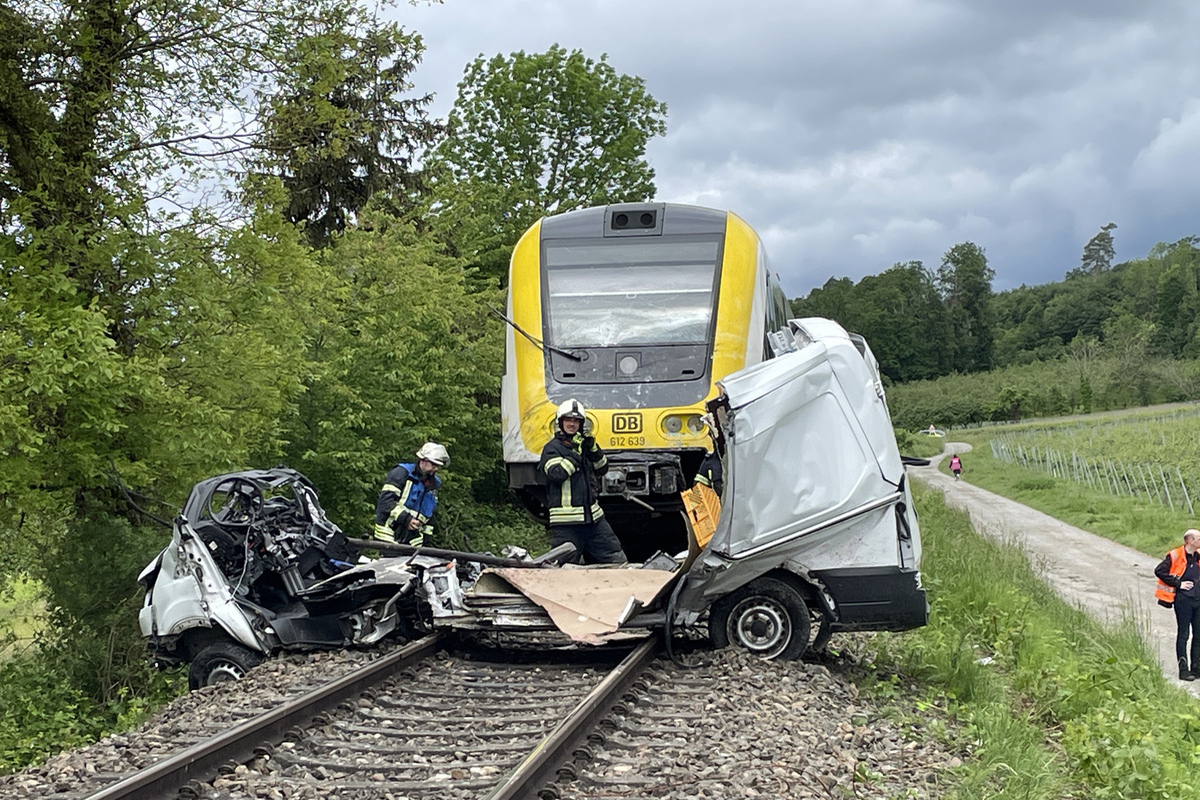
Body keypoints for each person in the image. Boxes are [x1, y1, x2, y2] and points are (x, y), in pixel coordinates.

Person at [538, 399, 627, 564]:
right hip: (566, 525)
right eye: (568, 420)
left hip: (594, 521)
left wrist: (593, 449)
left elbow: (602, 469)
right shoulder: (552, 449)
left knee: (617, 560)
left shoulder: (584, 446)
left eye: (576, 421)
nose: (572, 424)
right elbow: (557, 474)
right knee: (561, 570)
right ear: (560, 422)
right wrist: (575, 454)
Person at [373, 442, 449, 547]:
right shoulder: (401, 473)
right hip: (389, 534)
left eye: (438, 466)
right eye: (434, 464)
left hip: (413, 540)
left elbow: (429, 515)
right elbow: (386, 502)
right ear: (423, 460)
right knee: (393, 562)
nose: (436, 469)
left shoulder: (433, 484)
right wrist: (406, 519)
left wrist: (427, 543)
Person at [1154, 529, 1200, 680]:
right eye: (1198, 539)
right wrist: (1178, 584)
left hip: (1198, 600)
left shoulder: (1198, 557)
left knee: (1198, 635)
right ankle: (1183, 670)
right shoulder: (1175, 555)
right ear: (1190, 541)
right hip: (1183, 600)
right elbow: (1159, 571)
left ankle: (1196, 668)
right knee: (1184, 634)